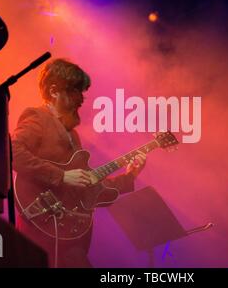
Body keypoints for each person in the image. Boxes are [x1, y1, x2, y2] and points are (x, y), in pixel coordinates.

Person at [11, 58, 146, 267]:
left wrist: (130, 176)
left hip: (70, 236)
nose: (81, 99)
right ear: (54, 91)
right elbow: (13, 152)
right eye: (75, 91)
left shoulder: (73, 136)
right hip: (40, 226)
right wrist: (61, 176)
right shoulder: (37, 117)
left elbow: (90, 187)